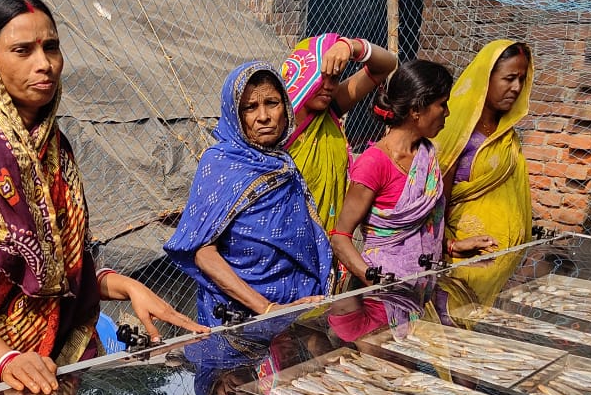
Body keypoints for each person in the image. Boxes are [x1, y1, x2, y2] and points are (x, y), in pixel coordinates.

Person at [0, 0, 203, 394]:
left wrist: (126, 286)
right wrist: (5, 358)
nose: (44, 64)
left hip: (54, 365)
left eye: (51, 47)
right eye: (22, 50)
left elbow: (67, 265)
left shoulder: (56, 150)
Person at [164, 61, 333, 326]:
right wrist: (267, 309)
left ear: (286, 109)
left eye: (272, 103)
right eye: (250, 107)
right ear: (235, 114)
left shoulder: (283, 164)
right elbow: (203, 252)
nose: (263, 116)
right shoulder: (220, 164)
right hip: (242, 317)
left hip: (299, 307)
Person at [328, 60, 496, 289]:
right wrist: (375, 281)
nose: (447, 113)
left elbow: (420, 233)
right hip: (378, 292)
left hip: (419, 287)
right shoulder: (374, 164)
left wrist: (452, 246)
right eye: (442, 104)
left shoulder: (425, 156)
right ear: (416, 110)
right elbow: (340, 237)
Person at [433, 40, 534, 305]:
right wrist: (448, 246)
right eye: (509, 78)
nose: (516, 88)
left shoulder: (507, 135)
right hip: (462, 261)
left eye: (522, 79)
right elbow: (436, 201)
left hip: (503, 265)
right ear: (485, 79)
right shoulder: (457, 131)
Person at [281, 33, 398, 232]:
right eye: (320, 78)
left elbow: (387, 64)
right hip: (284, 238)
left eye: (334, 78)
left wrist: (350, 46)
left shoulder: (330, 110)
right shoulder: (274, 123)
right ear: (303, 77)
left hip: (327, 242)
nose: (328, 87)